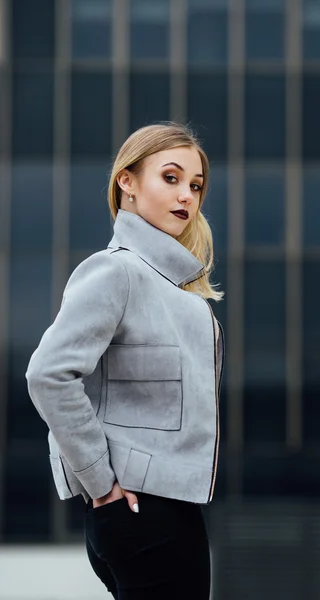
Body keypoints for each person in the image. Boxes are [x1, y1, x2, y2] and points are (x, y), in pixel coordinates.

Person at [25, 122, 225, 600]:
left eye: (195, 186)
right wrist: (101, 486)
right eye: (171, 178)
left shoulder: (175, 288)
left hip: (168, 510)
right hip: (139, 511)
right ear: (127, 182)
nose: (186, 196)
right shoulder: (116, 271)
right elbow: (48, 375)